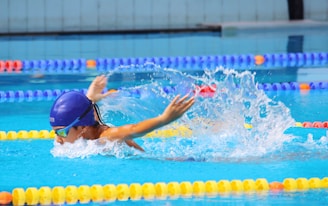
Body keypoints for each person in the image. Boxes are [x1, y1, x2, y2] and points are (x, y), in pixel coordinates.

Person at [50, 75, 195, 152]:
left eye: (61, 132)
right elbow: (85, 113)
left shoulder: (107, 137)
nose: (58, 139)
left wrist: (164, 119)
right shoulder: (86, 129)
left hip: (153, 160)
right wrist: (91, 97)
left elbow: (133, 130)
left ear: (82, 128)